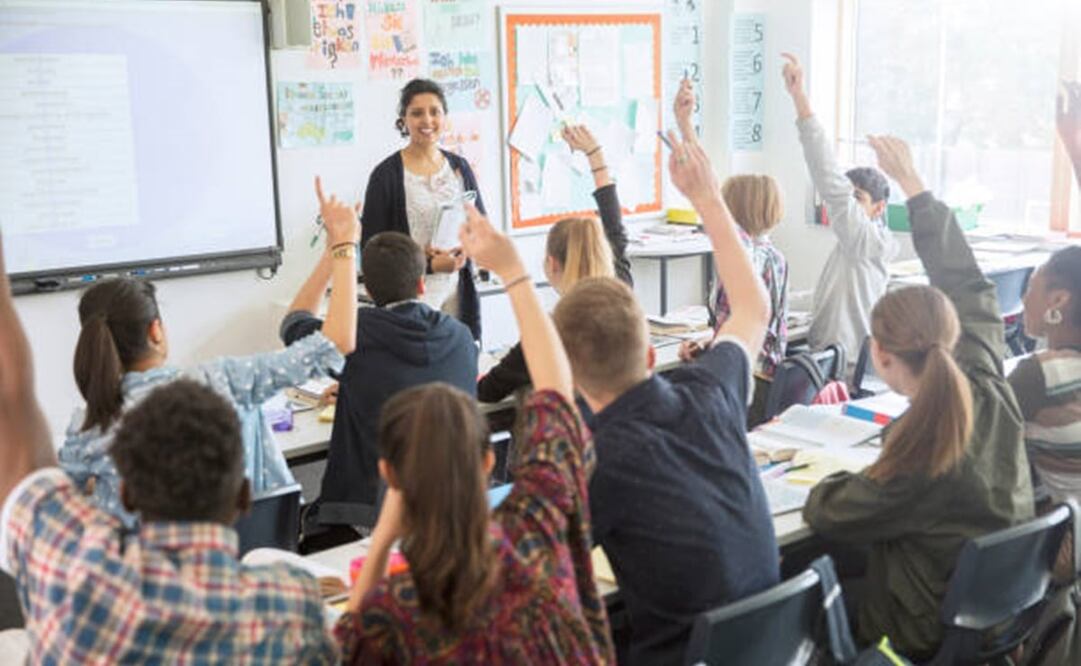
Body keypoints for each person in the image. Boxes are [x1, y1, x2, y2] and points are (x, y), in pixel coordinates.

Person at [0, 236, 338, 663]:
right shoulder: (289, 607)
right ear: (243, 496)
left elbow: (12, 411)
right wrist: (339, 247)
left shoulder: (77, 594)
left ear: (126, 494)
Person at [332, 205, 614, 664]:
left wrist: (383, 539)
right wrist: (513, 273)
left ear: (390, 474)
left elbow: (346, 644)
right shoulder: (537, 531)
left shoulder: (396, 609)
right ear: (488, 461)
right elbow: (556, 393)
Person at [552, 128, 779, 664]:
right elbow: (753, 308)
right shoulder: (711, 390)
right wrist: (707, 197)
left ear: (572, 379)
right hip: (770, 647)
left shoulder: (596, 461)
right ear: (654, 354)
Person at [803, 136, 1034, 659]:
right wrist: (915, 185)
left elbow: (827, 511)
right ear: (951, 332)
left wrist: (837, 472)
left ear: (878, 354)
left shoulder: (919, 452)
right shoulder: (988, 382)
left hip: (914, 632)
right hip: (991, 617)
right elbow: (968, 282)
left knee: (804, 574)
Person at [58, 179, 359, 527]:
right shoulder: (222, 381)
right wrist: (343, 246)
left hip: (143, 574)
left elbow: (59, 510)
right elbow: (336, 342)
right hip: (247, 557)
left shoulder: (87, 426)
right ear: (156, 330)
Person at [281, 227, 477, 536]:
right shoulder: (461, 336)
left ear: (368, 291)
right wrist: (354, 388)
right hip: (448, 509)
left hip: (370, 516)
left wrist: (334, 252)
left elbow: (292, 324)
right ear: (422, 284)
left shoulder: (355, 336)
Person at [478, 122, 632, 403]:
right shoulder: (622, 294)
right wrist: (595, 156)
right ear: (603, 252)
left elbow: (488, 392)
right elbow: (615, 228)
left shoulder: (549, 332)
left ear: (551, 264)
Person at [781, 53, 898, 363]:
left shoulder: (862, 238)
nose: (847, 206)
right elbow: (831, 296)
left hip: (840, 364)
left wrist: (799, 98)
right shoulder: (859, 243)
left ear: (879, 208)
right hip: (842, 356)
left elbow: (826, 172)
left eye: (857, 198)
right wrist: (785, 301)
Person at [360, 78, 485, 340]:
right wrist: (427, 263)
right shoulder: (386, 176)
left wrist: (466, 250)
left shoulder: (459, 167)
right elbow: (373, 252)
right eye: (416, 113)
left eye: (434, 112)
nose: (427, 121)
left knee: (460, 364)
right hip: (410, 299)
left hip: (458, 291)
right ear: (403, 120)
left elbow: (481, 228)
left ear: (445, 117)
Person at [1007, 85, 1081, 505]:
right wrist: (1073, 147)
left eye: (1031, 288)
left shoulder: (1039, 376)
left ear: (1058, 301)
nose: (1023, 301)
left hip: (1067, 552)